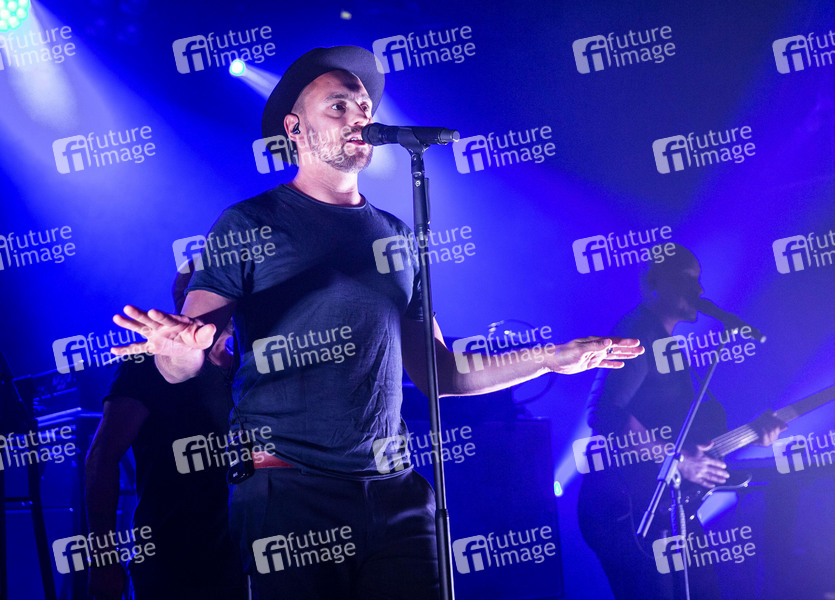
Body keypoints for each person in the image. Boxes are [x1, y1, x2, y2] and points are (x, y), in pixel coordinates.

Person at [110, 46, 644, 600]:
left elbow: (442, 373)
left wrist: (550, 358)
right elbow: (183, 358)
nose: (359, 116)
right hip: (290, 490)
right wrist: (179, 349)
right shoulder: (249, 222)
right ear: (294, 128)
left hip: (395, 492)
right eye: (338, 106)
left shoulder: (396, 234)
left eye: (364, 106)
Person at [576, 244, 785, 600]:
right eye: (687, 279)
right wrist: (681, 459)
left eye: (699, 280)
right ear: (655, 283)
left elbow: (690, 437)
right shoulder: (637, 334)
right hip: (624, 508)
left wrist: (753, 433)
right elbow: (604, 414)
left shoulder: (665, 343)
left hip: (664, 505)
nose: (699, 290)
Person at [85, 269, 243, 600]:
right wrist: (103, 559)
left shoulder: (249, 366)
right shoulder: (147, 364)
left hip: (244, 557)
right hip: (172, 559)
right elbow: (102, 458)